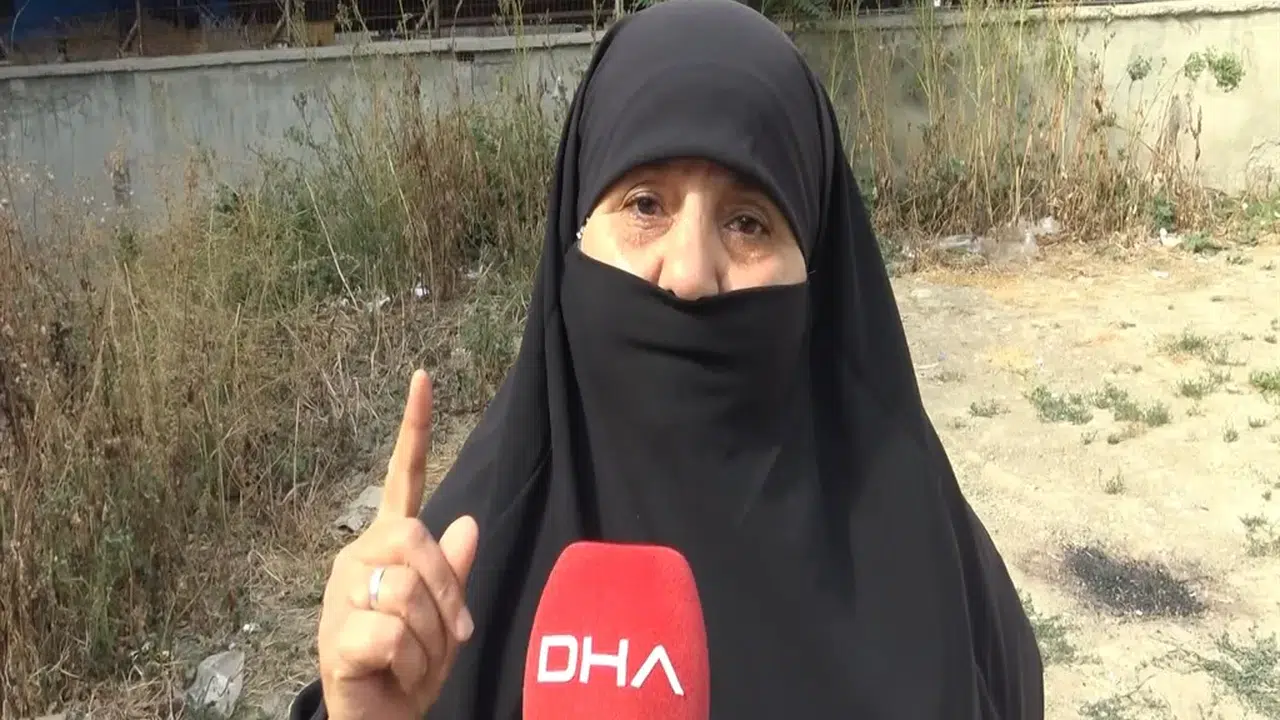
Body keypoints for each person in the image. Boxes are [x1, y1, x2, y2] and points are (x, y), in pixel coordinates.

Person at [288, 0, 1046, 717]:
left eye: (748, 222)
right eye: (645, 204)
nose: (688, 273)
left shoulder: (924, 568)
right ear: (573, 234)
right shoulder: (461, 572)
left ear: (817, 265)